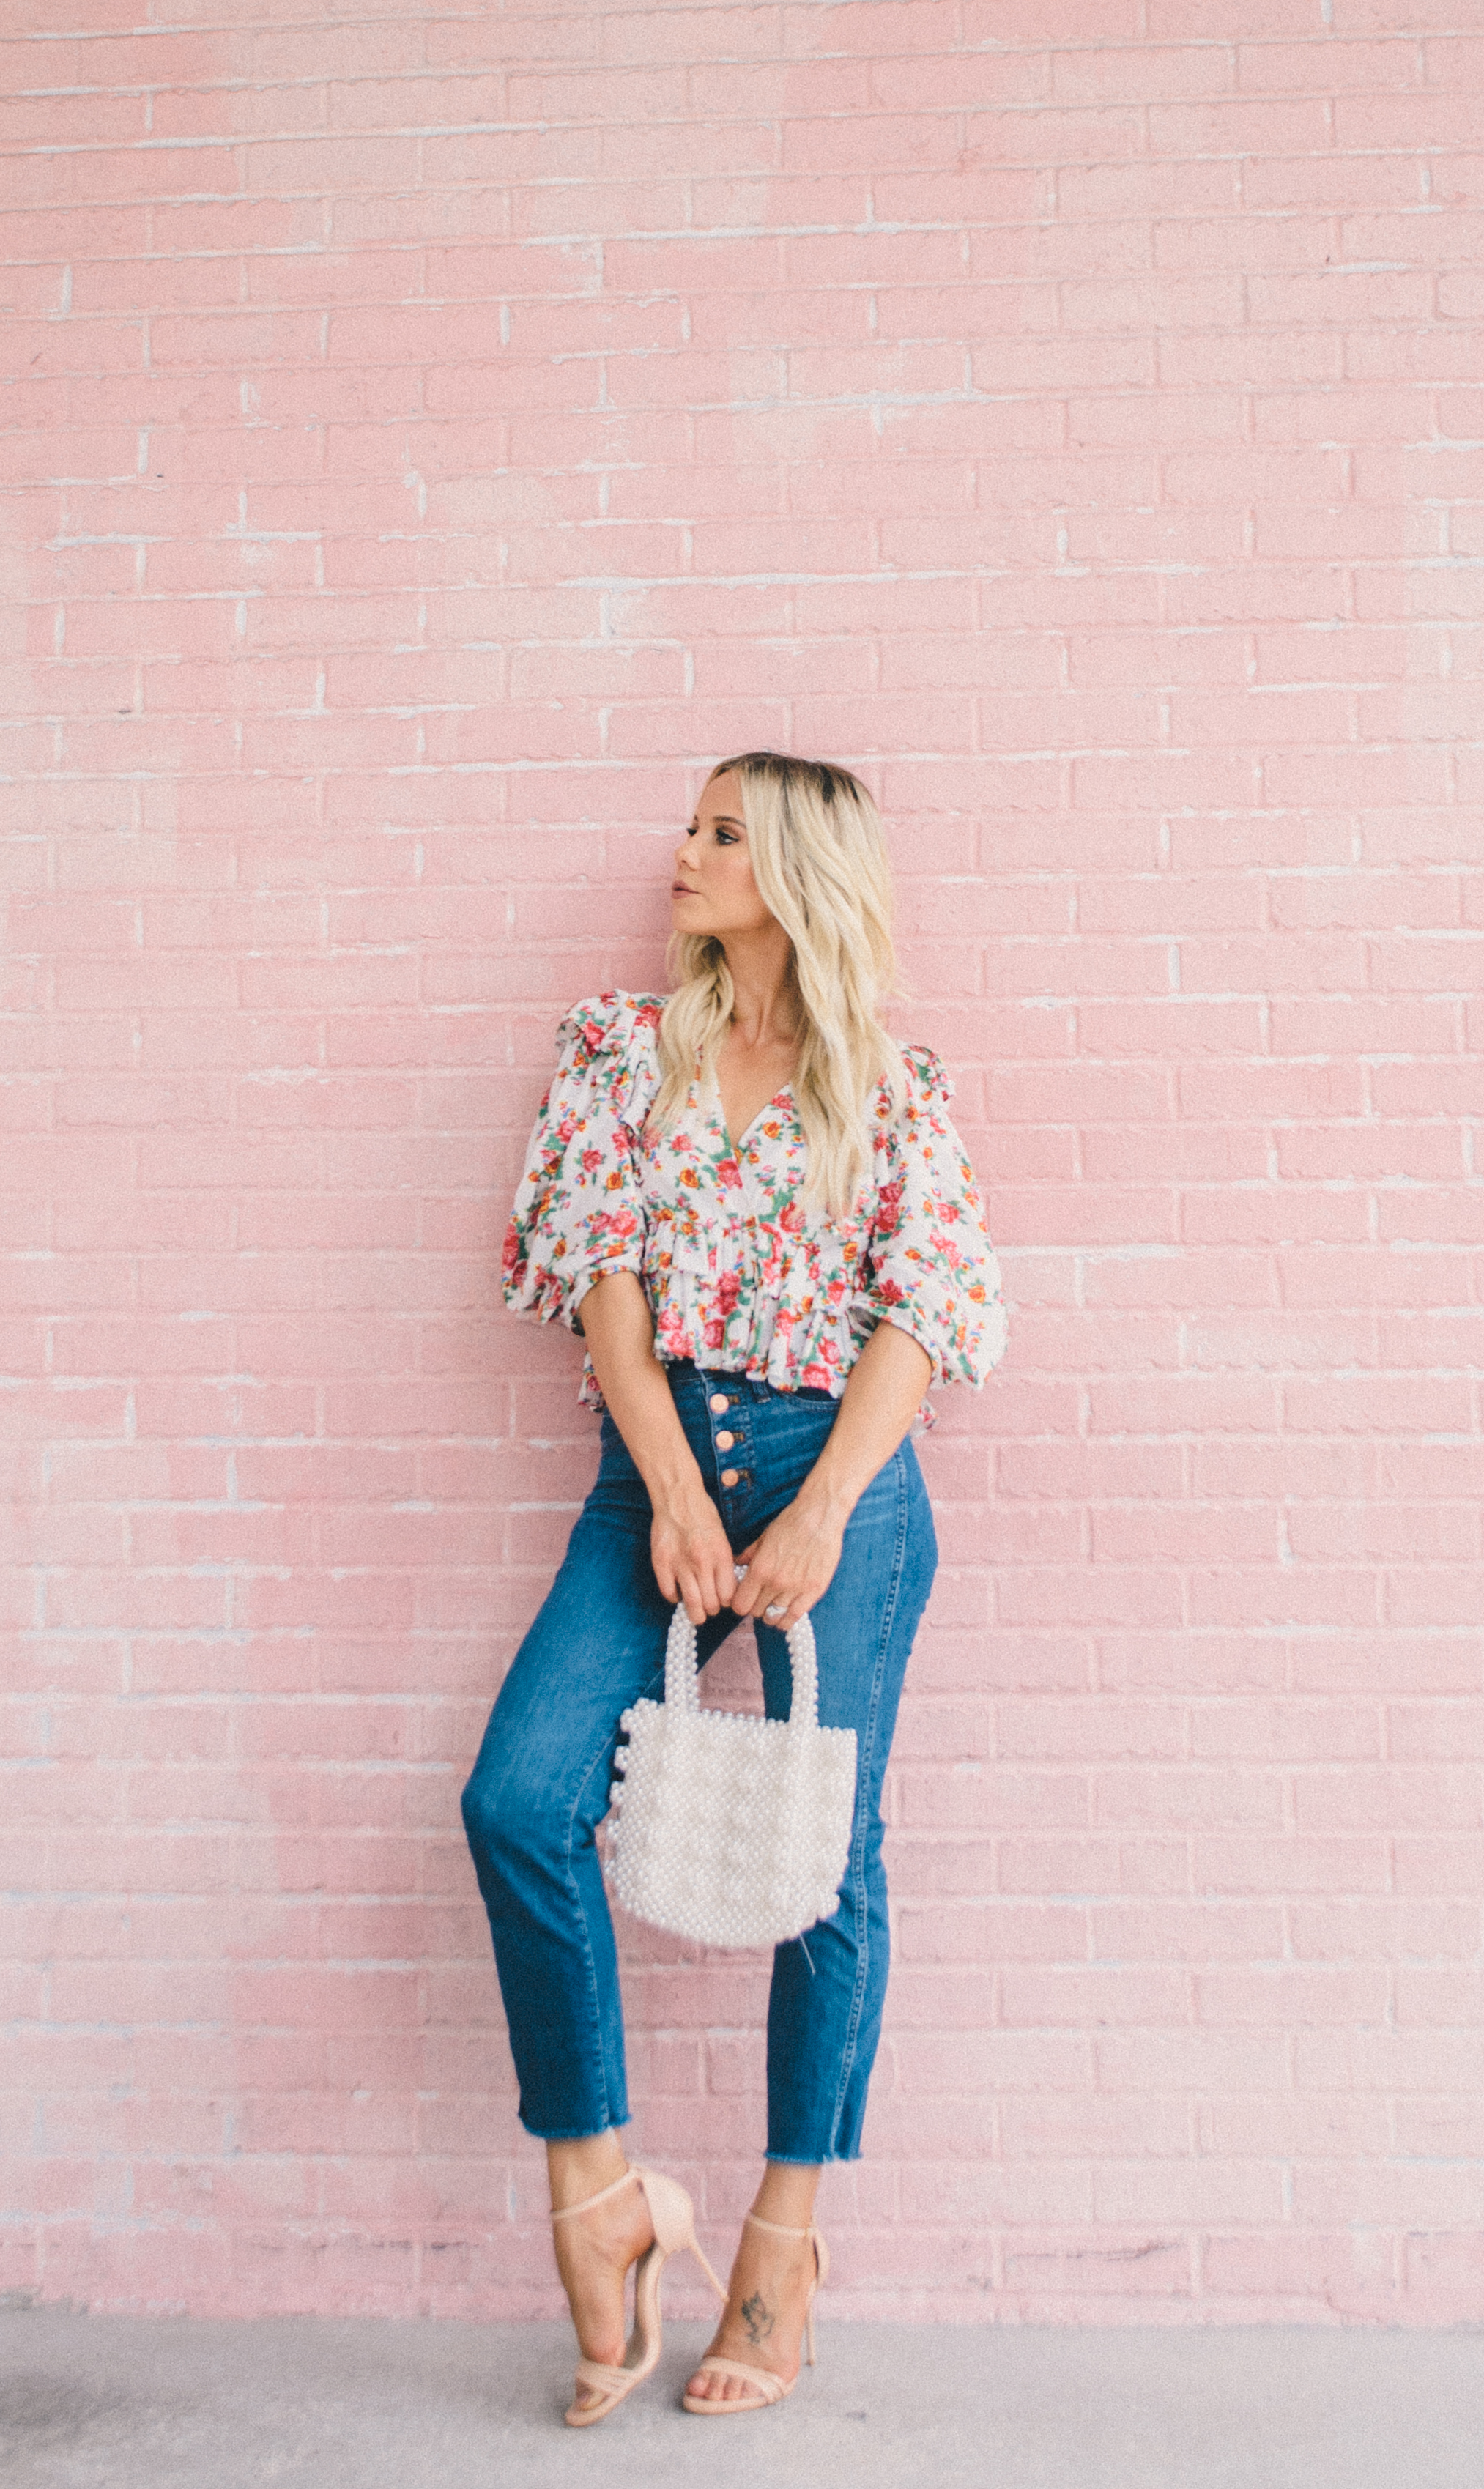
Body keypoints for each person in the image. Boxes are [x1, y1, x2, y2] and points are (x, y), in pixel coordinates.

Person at [461, 749, 1006, 2422]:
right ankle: (605, 2195)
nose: (678, 854)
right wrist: (681, 1497)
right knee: (517, 1800)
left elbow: (924, 1311)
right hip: (657, 1465)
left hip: (834, 1474)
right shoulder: (622, 1050)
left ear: (791, 869)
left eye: (715, 833)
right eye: (690, 827)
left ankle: (782, 2244)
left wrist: (825, 1505)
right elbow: (604, 1291)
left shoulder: (888, 1084)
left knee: (828, 1854)